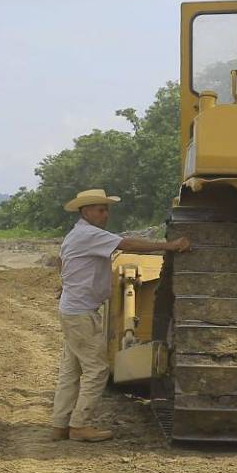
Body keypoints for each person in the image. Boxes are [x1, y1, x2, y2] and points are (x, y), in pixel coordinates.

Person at [52, 188, 188, 442]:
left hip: (74, 309)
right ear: (86, 211)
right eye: (101, 210)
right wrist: (169, 245)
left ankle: (60, 424)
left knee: (71, 370)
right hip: (82, 313)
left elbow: (63, 262)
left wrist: (69, 283)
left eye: (107, 210)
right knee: (97, 370)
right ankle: (79, 425)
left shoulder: (76, 234)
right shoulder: (90, 234)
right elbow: (126, 244)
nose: (106, 215)